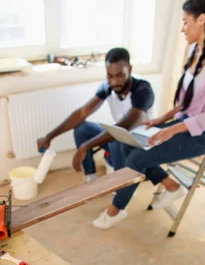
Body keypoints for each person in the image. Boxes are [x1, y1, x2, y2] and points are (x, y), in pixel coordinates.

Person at [92, 0, 205, 230]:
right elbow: (186, 102)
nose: (183, 29)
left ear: (201, 20)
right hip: (184, 122)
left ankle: (116, 211)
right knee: (131, 143)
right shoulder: (194, 51)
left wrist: (170, 130)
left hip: (203, 133)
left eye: (185, 22)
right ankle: (171, 185)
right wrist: (161, 119)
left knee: (138, 157)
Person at [37, 48, 155, 182]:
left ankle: (121, 185)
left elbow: (124, 126)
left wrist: (85, 147)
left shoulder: (143, 90)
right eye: (110, 76)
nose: (115, 81)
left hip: (140, 143)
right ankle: (91, 177)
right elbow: (82, 113)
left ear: (130, 69)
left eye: (120, 75)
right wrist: (49, 137)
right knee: (82, 129)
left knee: (116, 140)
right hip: (120, 137)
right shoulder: (108, 87)